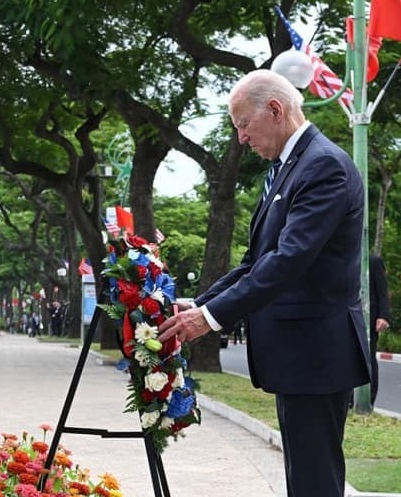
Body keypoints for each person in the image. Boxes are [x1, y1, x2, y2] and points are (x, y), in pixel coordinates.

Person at [157, 69, 370, 497]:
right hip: (299, 355)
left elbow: (288, 261)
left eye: (243, 125)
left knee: (314, 480)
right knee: (304, 478)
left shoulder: (322, 166)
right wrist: (199, 304)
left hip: (316, 353)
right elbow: (257, 261)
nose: (241, 139)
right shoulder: (289, 167)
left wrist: (211, 319)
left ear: (275, 109)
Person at [369, 252, 392, 405]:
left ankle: (369, 400)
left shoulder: (374, 261)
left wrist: (383, 316)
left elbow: (382, 291)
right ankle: (349, 399)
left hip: (369, 318)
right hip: (345, 317)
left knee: (369, 357)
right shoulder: (344, 258)